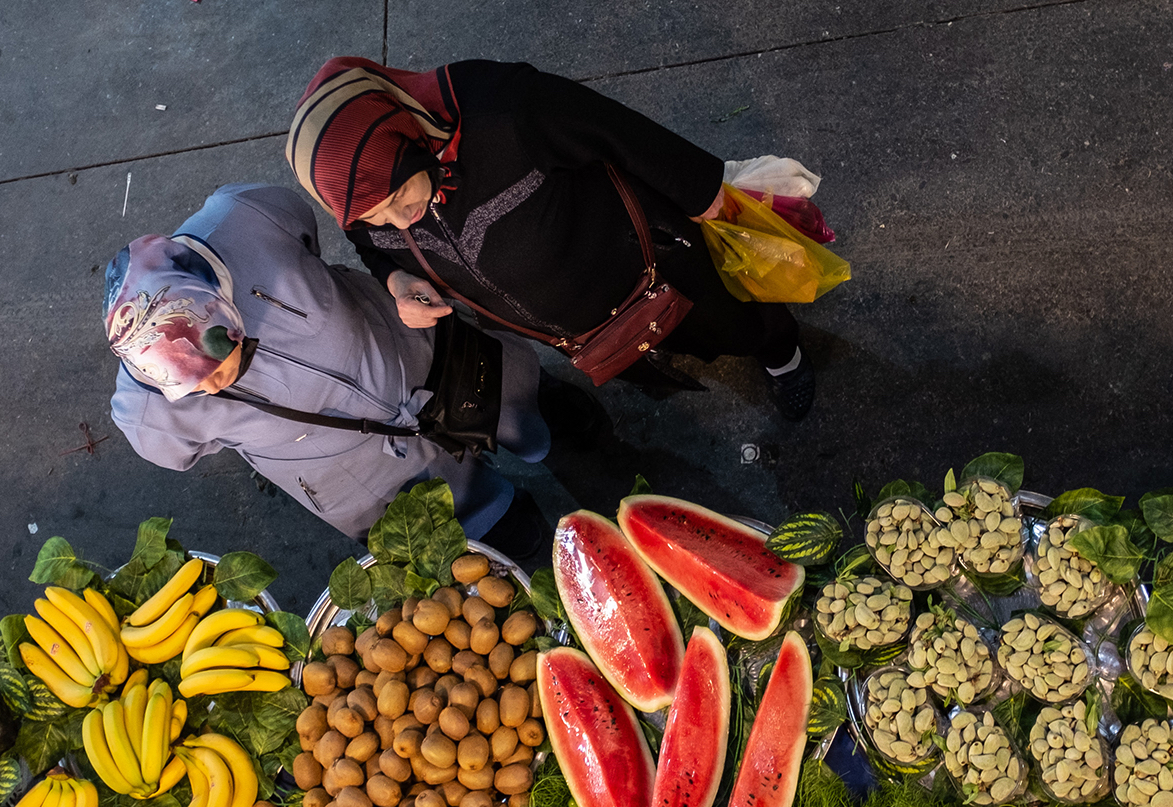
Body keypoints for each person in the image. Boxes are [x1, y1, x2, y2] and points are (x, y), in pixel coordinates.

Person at [285, 56, 816, 420]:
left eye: (398, 198)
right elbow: (368, 244)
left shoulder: (504, 108)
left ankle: (783, 357)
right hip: (579, 332)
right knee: (656, 351)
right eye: (377, 216)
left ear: (406, 141)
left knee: (735, 321)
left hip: (652, 262)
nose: (401, 222)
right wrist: (396, 278)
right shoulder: (361, 201)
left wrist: (703, 193)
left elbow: (621, 132)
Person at [104, 182, 556, 556]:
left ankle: (547, 421)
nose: (217, 381)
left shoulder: (244, 216)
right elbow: (178, 452)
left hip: (432, 358)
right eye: (196, 386)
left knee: (524, 398)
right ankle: (491, 516)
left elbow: (306, 232)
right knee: (489, 531)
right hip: (357, 477)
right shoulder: (144, 415)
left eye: (221, 354)